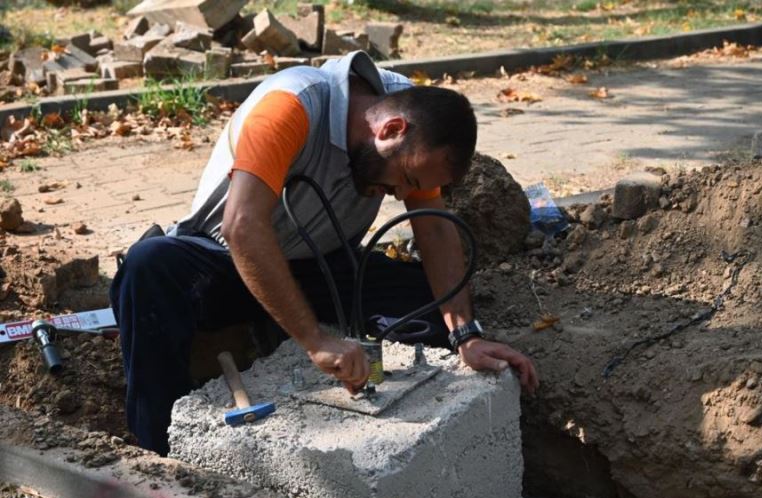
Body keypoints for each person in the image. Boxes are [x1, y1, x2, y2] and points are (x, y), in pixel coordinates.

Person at [110, 51, 539, 456]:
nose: (404, 195)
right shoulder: (292, 103)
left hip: (323, 267)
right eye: (406, 180)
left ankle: (282, 332)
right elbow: (242, 226)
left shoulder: (415, 116)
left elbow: (435, 231)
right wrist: (314, 341)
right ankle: (158, 454)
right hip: (227, 263)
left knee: (426, 302)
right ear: (389, 131)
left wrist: (465, 335)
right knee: (149, 269)